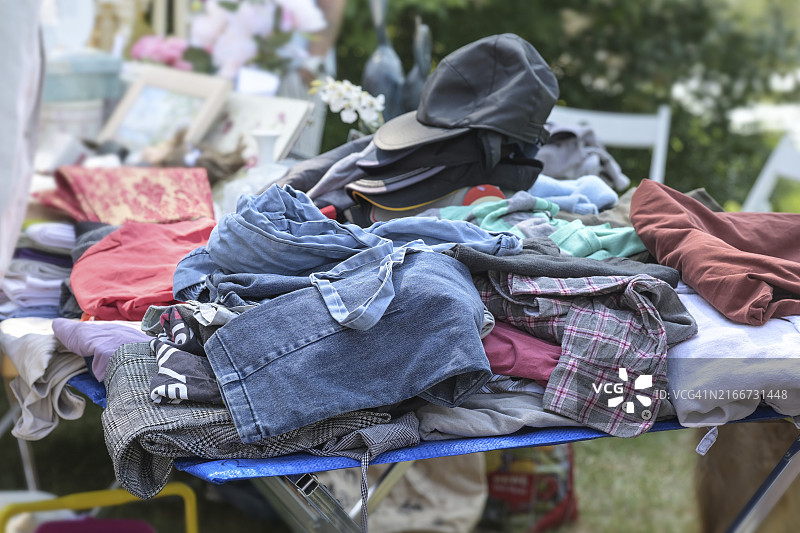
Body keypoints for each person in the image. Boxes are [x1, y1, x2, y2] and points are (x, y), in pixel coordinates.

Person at [278, 0, 347, 160]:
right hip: (257, 70)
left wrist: (313, 61)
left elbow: (332, 5)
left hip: (298, 71)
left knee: (294, 158)